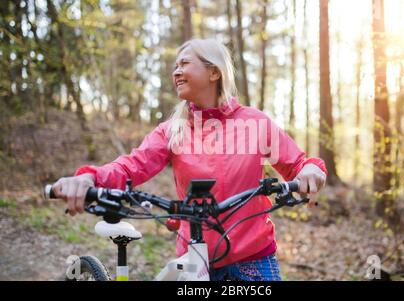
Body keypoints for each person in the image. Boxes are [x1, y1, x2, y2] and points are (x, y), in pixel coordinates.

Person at [52, 38, 328, 281]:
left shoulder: (254, 123)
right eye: (175, 66)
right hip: (195, 257)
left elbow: (298, 163)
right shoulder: (173, 129)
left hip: (253, 257)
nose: (176, 71)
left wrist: (311, 170)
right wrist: (90, 177)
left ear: (213, 72)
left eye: (184, 63)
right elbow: (131, 166)